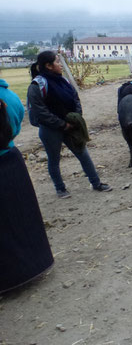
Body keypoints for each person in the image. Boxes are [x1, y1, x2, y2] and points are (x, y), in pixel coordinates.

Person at [27, 51, 111, 198]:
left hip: (71, 127)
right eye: (57, 61)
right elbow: (40, 111)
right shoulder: (37, 85)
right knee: (54, 159)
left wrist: (76, 118)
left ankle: (96, 183)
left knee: (83, 154)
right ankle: (60, 188)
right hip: (50, 129)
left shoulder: (64, 81)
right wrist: (62, 125)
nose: (60, 64)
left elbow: (75, 99)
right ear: (48, 66)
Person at [0, 84, 54, 293]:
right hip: (10, 158)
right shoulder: (8, 95)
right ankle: (35, 264)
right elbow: (19, 114)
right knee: (21, 216)